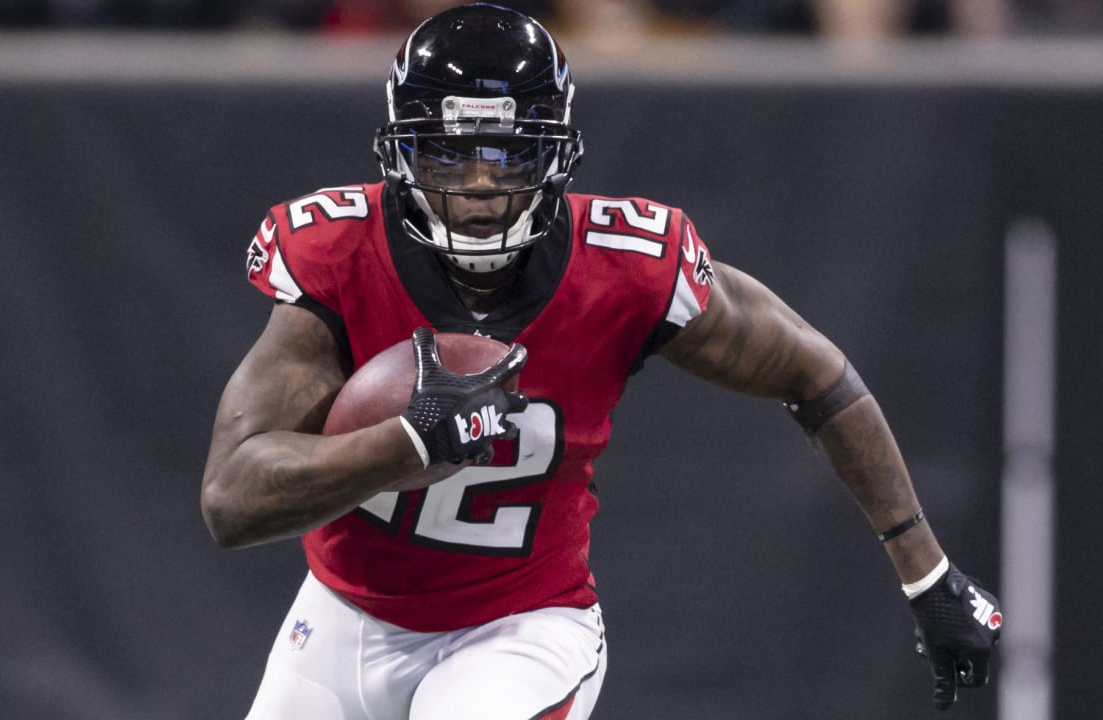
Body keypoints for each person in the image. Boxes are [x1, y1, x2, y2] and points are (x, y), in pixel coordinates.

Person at [200, 4, 1002, 718]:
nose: (478, 185)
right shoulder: (337, 254)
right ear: (402, 154)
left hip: (518, 628)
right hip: (346, 614)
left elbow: (817, 375)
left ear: (557, 155)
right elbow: (230, 501)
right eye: (448, 155)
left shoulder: (627, 265)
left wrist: (927, 574)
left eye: (508, 155)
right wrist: (409, 440)